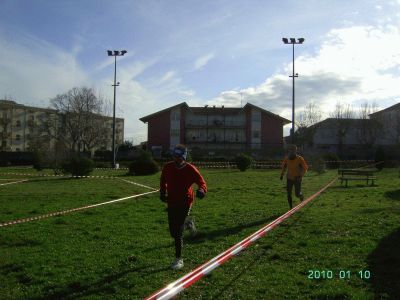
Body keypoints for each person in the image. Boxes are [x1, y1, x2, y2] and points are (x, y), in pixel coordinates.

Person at [160, 144, 207, 270]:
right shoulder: (167, 167)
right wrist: (162, 191)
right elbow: (163, 180)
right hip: (172, 202)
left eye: (180, 157)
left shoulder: (191, 169)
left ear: (184, 158)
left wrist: (202, 190)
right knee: (173, 231)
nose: (177, 160)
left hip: (185, 202)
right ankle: (188, 223)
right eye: (175, 157)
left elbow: (202, 182)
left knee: (178, 233)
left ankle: (178, 259)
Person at [280, 144, 308, 209]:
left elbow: (305, 168)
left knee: (297, 194)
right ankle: (290, 208)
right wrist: (282, 175)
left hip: (297, 178)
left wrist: (300, 175)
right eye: (290, 150)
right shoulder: (287, 159)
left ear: (295, 151)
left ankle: (301, 196)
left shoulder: (300, 159)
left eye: (293, 150)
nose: (291, 151)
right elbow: (284, 167)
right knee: (288, 193)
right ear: (289, 151)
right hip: (289, 178)